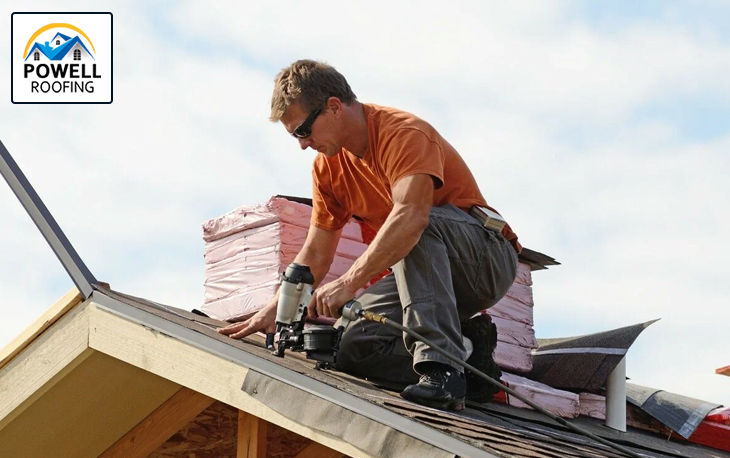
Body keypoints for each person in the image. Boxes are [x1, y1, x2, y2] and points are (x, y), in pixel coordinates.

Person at [219, 59, 521, 411]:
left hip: (485, 260)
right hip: (424, 274)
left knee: (412, 225)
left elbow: (412, 217)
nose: (302, 144)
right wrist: (274, 311)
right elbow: (315, 255)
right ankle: (471, 359)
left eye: (303, 130)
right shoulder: (327, 168)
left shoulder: (404, 133)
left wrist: (348, 283)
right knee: (354, 345)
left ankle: (443, 373)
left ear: (333, 106)